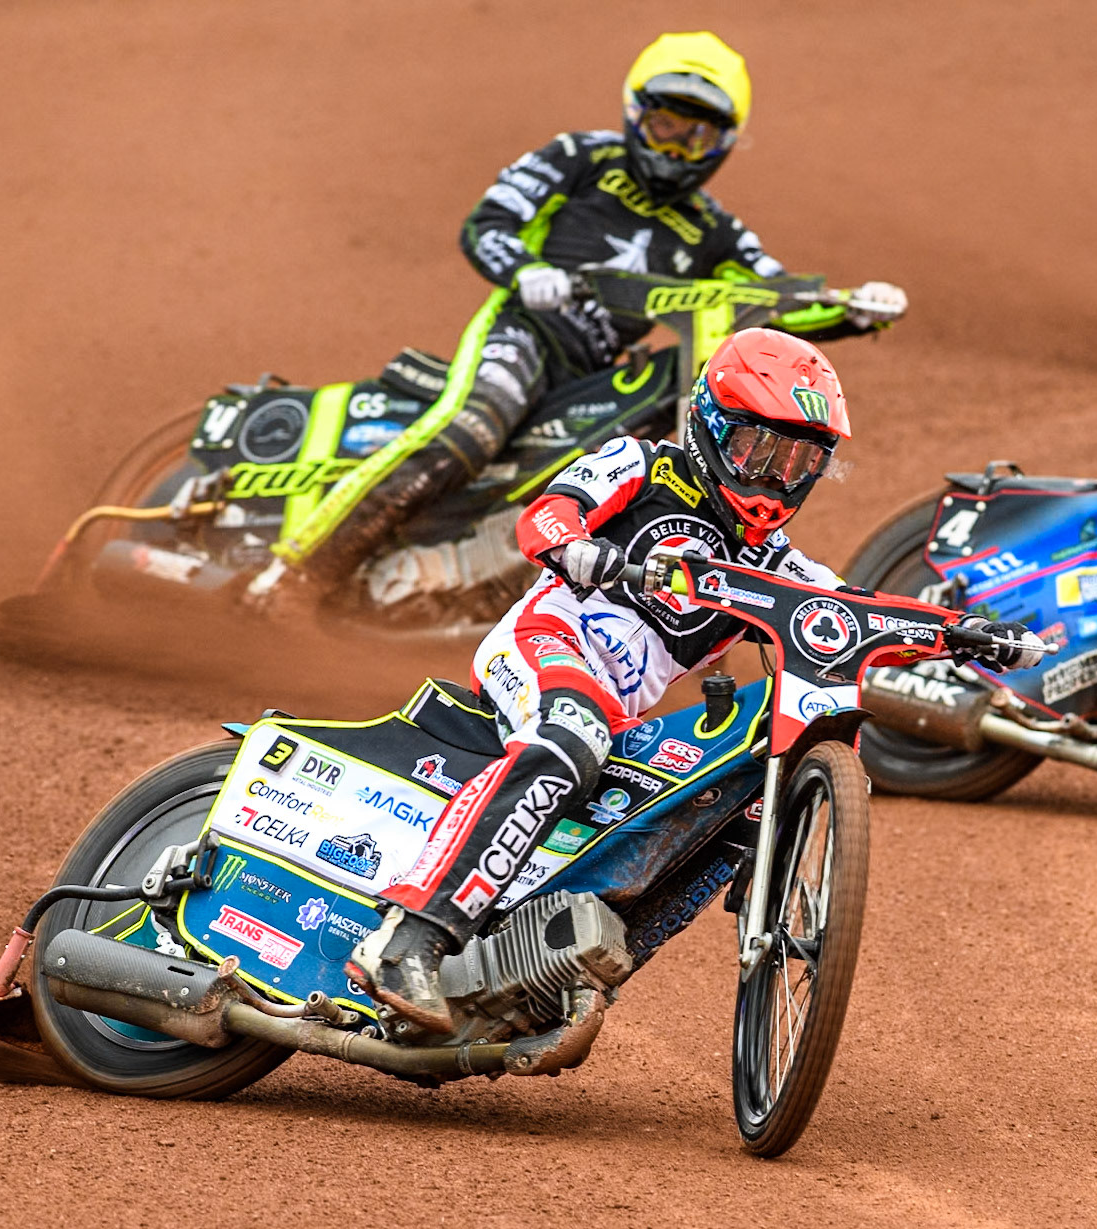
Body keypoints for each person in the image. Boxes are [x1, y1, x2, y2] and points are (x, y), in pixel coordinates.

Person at [347, 329, 1043, 1036]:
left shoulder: (776, 563)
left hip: (616, 710)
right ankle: (409, 938)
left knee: (727, 802)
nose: (774, 478)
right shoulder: (641, 466)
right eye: (757, 450)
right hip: (545, 644)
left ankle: (551, 974)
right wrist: (580, 549)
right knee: (571, 736)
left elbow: (856, 612)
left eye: (799, 460)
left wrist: (961, 632)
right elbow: (545, 515)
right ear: (711, 426)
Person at [248, 31, 908, 609]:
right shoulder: (581, 157)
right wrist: (523, 270)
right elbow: (487, 222)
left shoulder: (716, 230)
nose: (678, 147)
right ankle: (294, 573)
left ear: (725, 142)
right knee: (472, 427)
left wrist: (852, 309)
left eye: (698, 133)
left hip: (592, 377)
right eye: (666, 125)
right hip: (524, 334)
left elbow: (773, 300)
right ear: (635, 114)